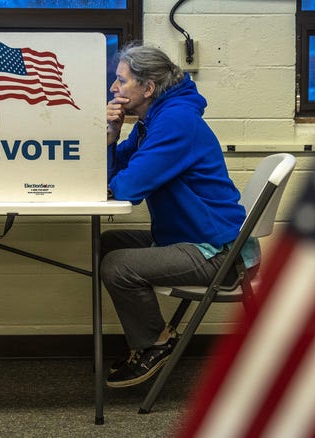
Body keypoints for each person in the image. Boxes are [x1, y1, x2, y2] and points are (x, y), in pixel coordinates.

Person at [101, 42, 259, 388]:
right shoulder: (152, 120)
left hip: (217, 251)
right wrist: (111, 139)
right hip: (190, 236)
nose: (113, 88)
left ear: (148, 88)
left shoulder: (175, 121)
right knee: (107, 243)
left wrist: (113, 178)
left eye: (121, 81)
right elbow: (118, 173)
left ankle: (156, 343)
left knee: (117, 266)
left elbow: (128, 186)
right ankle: (151, 337)